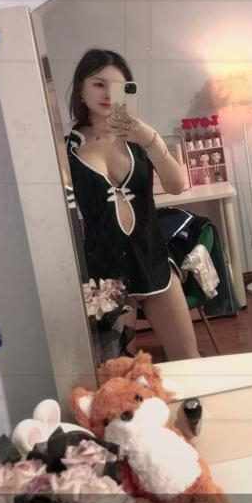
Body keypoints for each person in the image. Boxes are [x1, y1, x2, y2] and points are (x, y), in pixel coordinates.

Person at [66, 48, 200, 361]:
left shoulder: (139, 137)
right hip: (104, 275)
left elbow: (176, 185)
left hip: (152, 260)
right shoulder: (68, 149)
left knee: (188, 359)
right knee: (120, 371)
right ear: (81, 89)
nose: (107, 94)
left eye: (117, 87)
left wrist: (149, 138)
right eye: (98, 84)